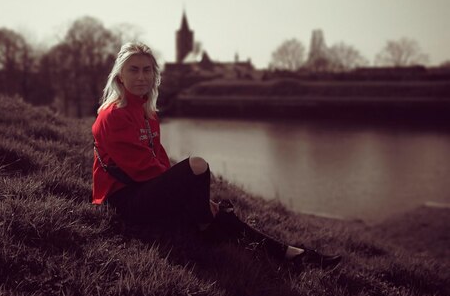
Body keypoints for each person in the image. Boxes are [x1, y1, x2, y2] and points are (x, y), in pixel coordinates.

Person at [92, 42, 341, 269]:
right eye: (133, 70)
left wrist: (193, 197)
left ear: (154, 75)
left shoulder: (147, 113)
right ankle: (207, 225)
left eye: (147, 70)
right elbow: (141, 169)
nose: (141, 76)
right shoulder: (114, 114)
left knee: (219, 214)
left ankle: (291, 253)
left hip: (144, 191)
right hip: (124, 201)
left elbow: (158, 159)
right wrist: (190, 195)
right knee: (196, 167)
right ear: (120, 76)